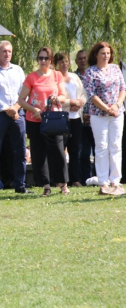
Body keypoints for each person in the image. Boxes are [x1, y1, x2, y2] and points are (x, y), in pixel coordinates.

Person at [0, 41, 30, 197]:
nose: (7, 54)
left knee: (20, 150)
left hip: (17, 112)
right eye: (4, 51)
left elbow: (24, 92)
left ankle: (20, 184)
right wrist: (6, 109)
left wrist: (15, 108)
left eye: (9, 51)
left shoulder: (18, 70)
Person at [18, 47, 70, 196]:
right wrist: (34, 110)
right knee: (39, 152)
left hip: (53, 119)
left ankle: (63, 184)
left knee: (58, 151)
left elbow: (63, 96)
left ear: (51, 60)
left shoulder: (57, 75)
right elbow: (21, 100)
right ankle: (45, 185)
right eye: (40, 58)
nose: (42, 61)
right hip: (35, 120)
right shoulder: (31, 77)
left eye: (46, 58)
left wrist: (56, 98)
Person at [83, 41, 126, 195]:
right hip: (99, 115)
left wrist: (116, 105)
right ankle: (103, 182)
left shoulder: (115, 69)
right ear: (96, 54)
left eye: (108, 53)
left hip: (117, 113)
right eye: (103, 53)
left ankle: (116, 181)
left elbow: (123, 89)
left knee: (115, 146)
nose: (106, 56)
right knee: (101, 147)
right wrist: (106, 108)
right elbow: (91, 94)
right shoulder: (91, 72)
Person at [54, 51, 87, 187]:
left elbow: (84, 93)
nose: (64, 64)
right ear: (55, 64)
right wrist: (71, 103)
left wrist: (80, 102)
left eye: (66, 61)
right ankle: (61, 180)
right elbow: (56, 98)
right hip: (62, 117)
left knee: (75, 150)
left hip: (76, 118)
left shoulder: (74, 77)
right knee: (61, 150)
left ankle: (76, 179)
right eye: (61, 61)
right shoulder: (55, 78)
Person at [75, 50, 95, 184]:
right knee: (83, 153)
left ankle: (99, 178)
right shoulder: (73, 77)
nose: (83, 60)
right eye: (80, 58)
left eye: (85, 58)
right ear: (76, 61)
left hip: (95, 119)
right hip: (80, 121)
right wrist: (83, 115)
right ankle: (85, 179)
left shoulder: (93, 75)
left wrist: (92, 115)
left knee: (99, 151)